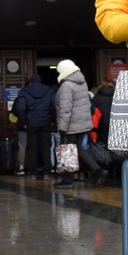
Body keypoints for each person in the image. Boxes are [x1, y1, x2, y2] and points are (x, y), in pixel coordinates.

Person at [53, 60, 105, 189]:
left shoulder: (67, 85)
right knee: (78, 149)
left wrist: (62, 127)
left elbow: (66, 108)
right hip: (82, 124)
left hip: (71, 125)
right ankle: (98, 171)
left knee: (67, 151)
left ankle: (67, 180)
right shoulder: (81, 83)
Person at [13, 75, 55, 179]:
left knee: (32, 148)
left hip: (31, 122)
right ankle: (47, 173)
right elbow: (54, 107)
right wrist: (53, 121)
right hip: (46, 122)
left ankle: (32, 172)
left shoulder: (24, 91)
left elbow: (21, 109)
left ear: (31, 82)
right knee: (46, 147)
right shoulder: (49, 91)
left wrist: (24, 122)